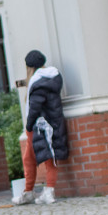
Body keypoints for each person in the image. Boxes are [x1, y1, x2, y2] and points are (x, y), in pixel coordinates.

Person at [14, 50, 69, 205]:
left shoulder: (37, 82)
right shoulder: (52, 77)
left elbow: (35, 107)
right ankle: (46, 192)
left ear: (29, 67)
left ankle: (30, 192)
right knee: (49, 159)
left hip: (39, 126)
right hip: (53, 123)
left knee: (29, 159)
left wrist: (29, 125)